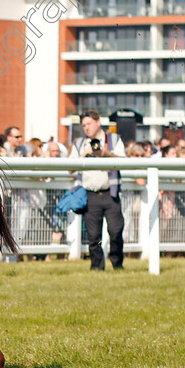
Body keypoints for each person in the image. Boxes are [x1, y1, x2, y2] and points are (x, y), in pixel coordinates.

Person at [69, 110, 126, 271]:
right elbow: (69, 168)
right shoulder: (79, 144)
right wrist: (84, 155)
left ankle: (117, 264)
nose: (86, 128)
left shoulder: (114, 140)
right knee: (93, 236)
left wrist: (106, 154)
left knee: (116, 231)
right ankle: (96, 267)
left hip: (110, 193)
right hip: (89, 194)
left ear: (98, 122)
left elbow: (124, 162)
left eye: (89, 124)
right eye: (84, 125)